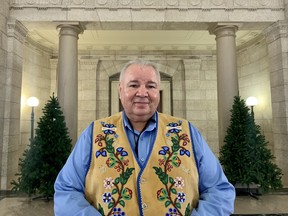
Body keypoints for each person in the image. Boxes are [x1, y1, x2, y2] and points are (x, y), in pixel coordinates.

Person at [54, 59, 235, 216]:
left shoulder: (187, 132)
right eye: (133, 85)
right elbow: (66, 190)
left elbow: (219, 190)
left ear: (158, 90)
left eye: (150, 86)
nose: (142, 93)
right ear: (120, 90)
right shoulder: (94, 133)